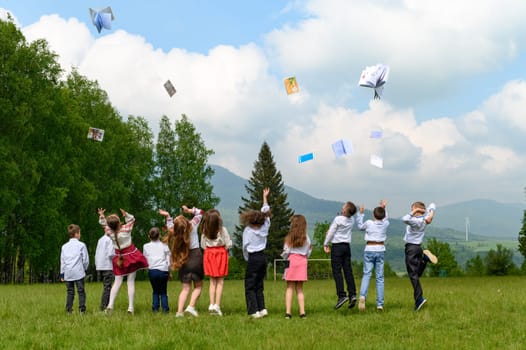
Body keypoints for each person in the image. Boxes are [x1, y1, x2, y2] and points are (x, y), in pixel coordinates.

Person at [98, 208, 148, 314]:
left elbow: (104, 225)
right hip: (131, 255)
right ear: (118, 222)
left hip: (119, 257)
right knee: (130, 282)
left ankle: (110, 305)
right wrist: (126, 215)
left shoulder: (109, 232)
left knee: (117, 282)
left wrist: (102, 216)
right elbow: (132, 219)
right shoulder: (126, 229)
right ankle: (130, 307)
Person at [160, 205, 204, 317]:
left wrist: (168, 216)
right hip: (196, 257)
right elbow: (201, 213)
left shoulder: (175, 231)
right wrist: (189, 210)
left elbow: (170, 225)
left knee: (185, 288)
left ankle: (179, 312)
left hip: (183, 259)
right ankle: (191, 306)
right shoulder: (192, 226)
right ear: (186, 222)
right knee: (198, 286)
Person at [402, 201, 438, 311]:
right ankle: (424, 260)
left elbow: (404, 219)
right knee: (416, 275)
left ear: (417, 211)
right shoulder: (424, 219)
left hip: (411, 248)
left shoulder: (415, 221)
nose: (411, 211)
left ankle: (419, 299)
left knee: (413, 275)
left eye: (413, 209)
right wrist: (429, 212)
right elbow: (433, 205)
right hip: (418, 248)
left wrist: (416, 211)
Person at [241, 187, 271, 318]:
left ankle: (254, 311)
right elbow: (266, 211)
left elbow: (245, 247)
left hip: (253, 258)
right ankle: (262, 308)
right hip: (263, 257)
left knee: (250, 285)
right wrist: (265, 197)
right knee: (259, 284)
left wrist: (247, 259)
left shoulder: (248, 231)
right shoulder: (265, 227)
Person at [356, 199, 389, 312]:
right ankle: (380, 304)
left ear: (373, 215)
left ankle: (362, 296)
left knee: (367, 274)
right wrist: (384, 207)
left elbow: (360, 226)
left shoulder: (369, 223)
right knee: (380, 278)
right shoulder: (385, 224)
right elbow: (385, 218)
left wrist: (360, 213)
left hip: (369, 248)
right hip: (380, 249)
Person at [323, 201, 358, 310]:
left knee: (337, 271)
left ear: (344, 210)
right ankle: (352, 294)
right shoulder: (352, 220)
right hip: (347, 247)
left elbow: (332, 232)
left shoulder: (338, 219)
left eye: (343, 207)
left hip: (337, 247)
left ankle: (341, 295)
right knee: (348, 271)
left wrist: (326, 243)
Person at [200, 209, 232, 316]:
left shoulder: (205, 231)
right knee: (220, 281)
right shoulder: (223, 230)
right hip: (220, 253)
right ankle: (217, 306)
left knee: (212, 281)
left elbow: (203, 245)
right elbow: (228, 244)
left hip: (209, 254)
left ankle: (211, 304)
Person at [281, 214, 312, 319]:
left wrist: (285, 257)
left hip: (291, 261)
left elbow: (286, 251)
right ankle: (302, 312)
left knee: (289, 287)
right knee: (299, 288)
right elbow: (309, 251)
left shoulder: (289, 237)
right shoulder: (306, 238)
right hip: (302, 261)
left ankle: (288, 313)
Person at [60, 224, 89, 314]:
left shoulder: (64, 246)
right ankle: (82, 310)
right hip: (78, 272)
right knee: (81, 291)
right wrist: (84, 269)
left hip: (68, 272)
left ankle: (69, 310)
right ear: (76, 234)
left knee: (70, 292)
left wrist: (62, 274)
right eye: (79, 233)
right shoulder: (81, 245)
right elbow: (85, 260)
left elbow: (62, 261)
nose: (80, 234)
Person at [143, 227, 171, 313]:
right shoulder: (165, 246)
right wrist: (169, 271)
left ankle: (155, 308)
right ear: (159, 235)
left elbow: (145, 258)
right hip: (163, 270)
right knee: (163, 291)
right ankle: (165, 309)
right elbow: (168, 260)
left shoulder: (146, 246)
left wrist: (147, 269)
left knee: (155, 291)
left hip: (152, 270)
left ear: (149, 236)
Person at [95, 230, 114, 311]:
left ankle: (106, 305)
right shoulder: (110, 240)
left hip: (100, 266)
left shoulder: (100, 239)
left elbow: (96, 253)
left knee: (106, 286)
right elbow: (111, 254)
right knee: (107, 287)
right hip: (108, 266)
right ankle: (104, 306)